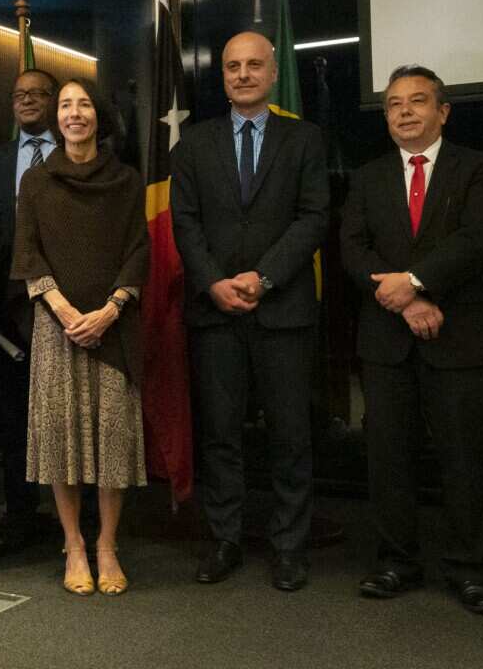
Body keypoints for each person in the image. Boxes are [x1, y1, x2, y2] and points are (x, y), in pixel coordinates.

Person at [340, 65, 483, 616]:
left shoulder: (481, 170)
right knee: (389, 460)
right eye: (393, 104)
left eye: (417, 101)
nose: (404, 112)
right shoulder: (365, 178)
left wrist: (413, 283)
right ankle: (395, 563)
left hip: (462, 341)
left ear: (443, 112)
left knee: (462, 461)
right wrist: (408, 301)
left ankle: (469, 570)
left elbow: (478, 240)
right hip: (386, 344)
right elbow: (353, 250)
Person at [170, 31, 328, 591]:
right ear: (224, 76)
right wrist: (213, 281)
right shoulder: (192, 144)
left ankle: (288, 547)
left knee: (290, 435)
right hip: (215, 314)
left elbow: (312, 217)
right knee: (220, 436)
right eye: (233, 66)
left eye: (254, 65)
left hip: (282, 310)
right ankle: (225, 539)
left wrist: (261, 279)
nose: (242, 74)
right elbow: (182, 222)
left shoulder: (305, 139)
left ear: (273, 74)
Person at [11, 77, 148, 595]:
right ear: (56, 118)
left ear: (99, 115)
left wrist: (110, 310)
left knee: (112, 439)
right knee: (62, 441)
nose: (74, 113)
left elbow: (140, 249)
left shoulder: (128, 179)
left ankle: (108, 543)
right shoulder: (36, 181)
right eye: (65, 105)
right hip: (56, 324)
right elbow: (26, 253)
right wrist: (66, 310)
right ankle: (72, 544)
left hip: (114, 325)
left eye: (83, 104)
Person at [0, 68, 59, 556]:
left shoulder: (80, 151)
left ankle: (80, 516)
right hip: (8, 310)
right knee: (14, 418)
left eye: (37, 93)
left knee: (70, 414)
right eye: (19, 95)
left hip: (69, 306)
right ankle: (20, 512)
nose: (27, 101)